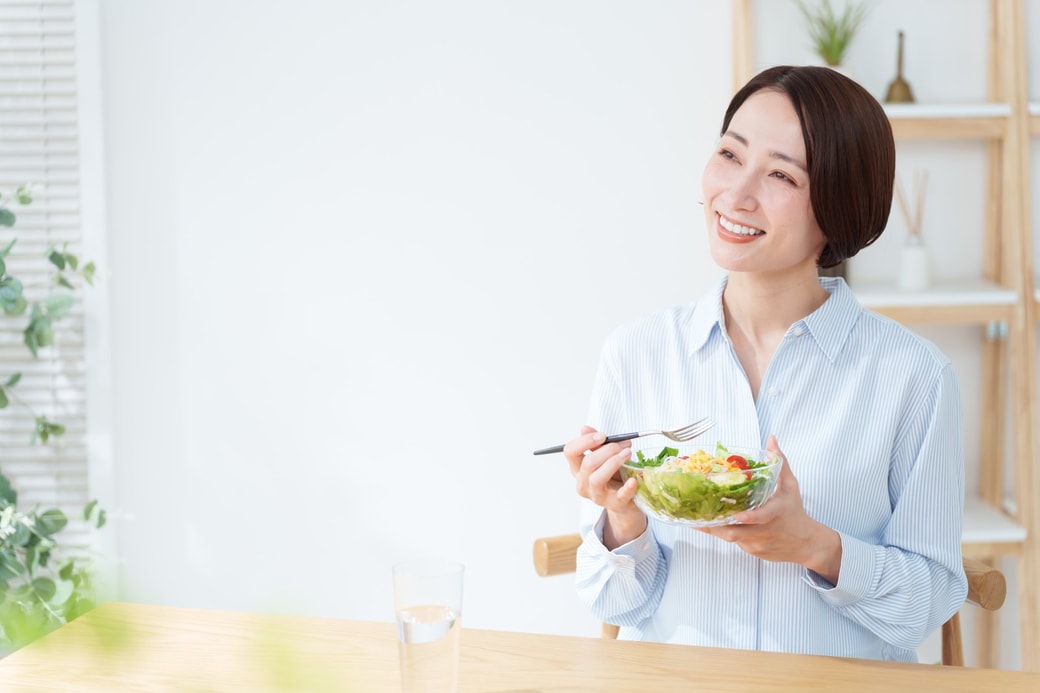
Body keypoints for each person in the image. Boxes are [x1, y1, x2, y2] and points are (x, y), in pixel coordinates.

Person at [562, 65, 967, 662]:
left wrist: (815, 546)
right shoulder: (637, 353)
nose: (737, 193)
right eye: (730, 154)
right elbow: (614, 603)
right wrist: (623, 523)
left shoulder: (914, 378)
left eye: (780, 174)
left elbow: (928, 603)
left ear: (839, 205)